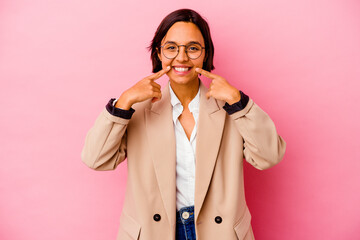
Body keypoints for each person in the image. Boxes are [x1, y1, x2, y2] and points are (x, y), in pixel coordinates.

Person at [81, 8, 286, 240]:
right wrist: (124, 101)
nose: (181, 57)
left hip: (217, 232)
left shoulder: (231, 108)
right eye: (171, 48)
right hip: (153, 232)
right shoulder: (135, 109)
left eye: (192, 48)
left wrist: (239, 102)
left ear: (205, 53)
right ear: (158, 53)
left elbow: (269, 156)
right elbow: (95, 158)